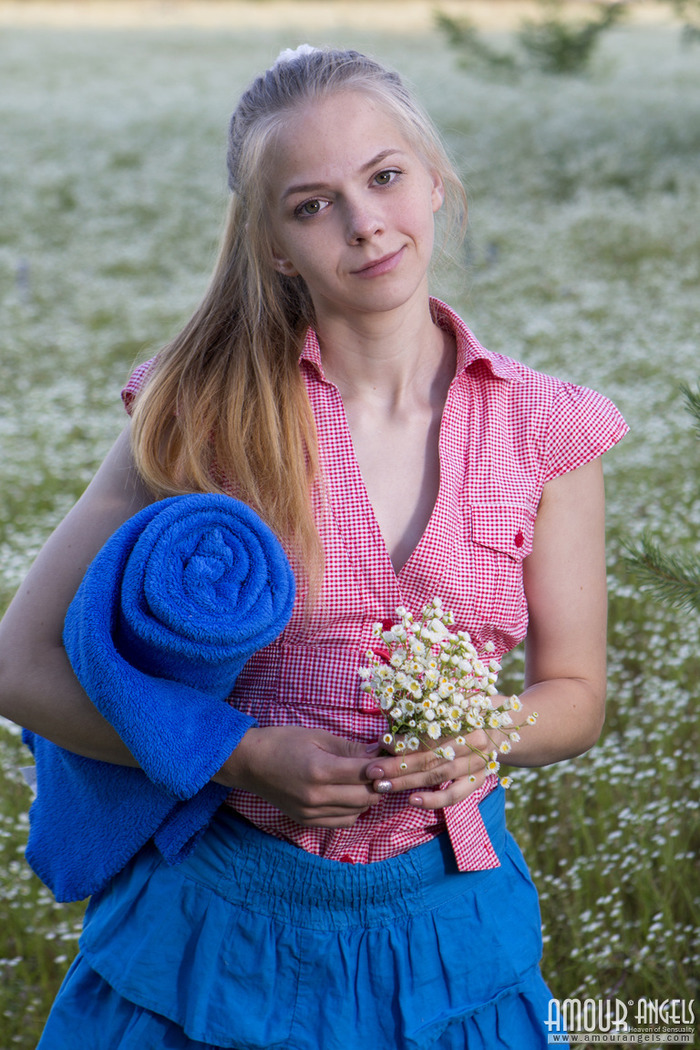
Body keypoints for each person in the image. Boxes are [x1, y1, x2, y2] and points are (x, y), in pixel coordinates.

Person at [0, 45, 628, 1050]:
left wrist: (486, 736)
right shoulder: (202, 413)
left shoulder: (546, 430)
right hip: (212, 933)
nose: (364, 222)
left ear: (435, 180)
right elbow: (19, 665)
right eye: (312, 204)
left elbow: (575, 695)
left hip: (450, 934)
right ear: (276, 245)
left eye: (385, 177)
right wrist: (239, 756)